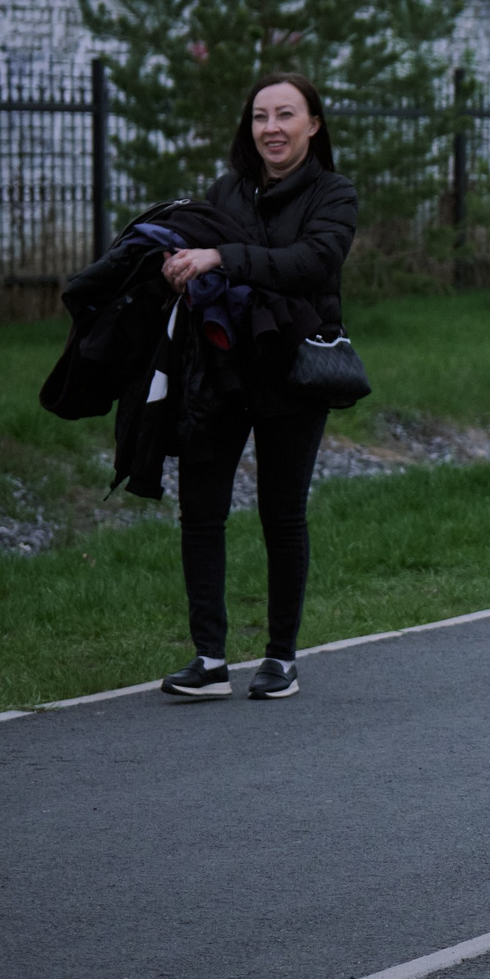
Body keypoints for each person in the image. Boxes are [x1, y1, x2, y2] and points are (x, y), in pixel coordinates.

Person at [156, 74, 357, 704]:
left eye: (285, 115)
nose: (271, 128)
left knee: (282, 512)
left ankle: (280, 658)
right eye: (260, 116)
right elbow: (201, 257)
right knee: (200, 510)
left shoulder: (334, 194)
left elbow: (311, 262)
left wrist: (223, 256)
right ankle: (209, 660)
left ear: (313, 124)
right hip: (220, 368)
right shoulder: (227, 191)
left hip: (294, 372)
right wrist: (180, 266)